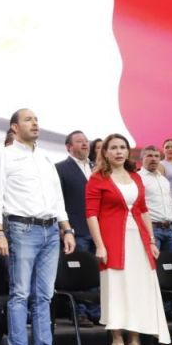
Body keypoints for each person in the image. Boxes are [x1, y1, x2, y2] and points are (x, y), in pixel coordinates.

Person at [0, 108, 78, 345]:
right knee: (20, 293)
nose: (35, 123)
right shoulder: (4, 156)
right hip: (22, 229)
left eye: (36, 119)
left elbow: (57, 198)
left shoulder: (45, 157)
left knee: (44, 295)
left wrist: (67, 229)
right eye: (28, 120)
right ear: (14, 127)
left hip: (51, 230)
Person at [86, 134, 171, 345]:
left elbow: (143, 210)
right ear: (105, 152)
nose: (118, 151)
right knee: (117, 291)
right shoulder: (97, 178)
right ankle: (117, 343)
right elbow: (91, 214)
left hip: (139, 242)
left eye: (122, 147)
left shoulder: (135, 177)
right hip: (113, 242)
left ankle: (134, 343)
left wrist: (151, 241)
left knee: (138, 292)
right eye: (113, 148)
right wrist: (100, 245)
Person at [55, 130, 100, 327]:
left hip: (98, 230)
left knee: (96, 272)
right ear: (69, 147)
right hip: (76, 229)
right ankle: (79, 312)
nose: (85, 144)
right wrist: (64, 228)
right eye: (79, 141)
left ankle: (96, 312)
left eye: (86, 141)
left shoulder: (97, 168)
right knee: (78, 273)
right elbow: (58, 201)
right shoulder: (60, 168)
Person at [140, 145, 172, 257]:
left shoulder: (163, 180)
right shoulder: (137, 178)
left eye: (156, 156)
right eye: (149, 156)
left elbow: (170, 203)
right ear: (142, 158)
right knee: (153, 264)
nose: (154, 159)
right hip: (151, 228)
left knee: (170, 265)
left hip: (169, 229)